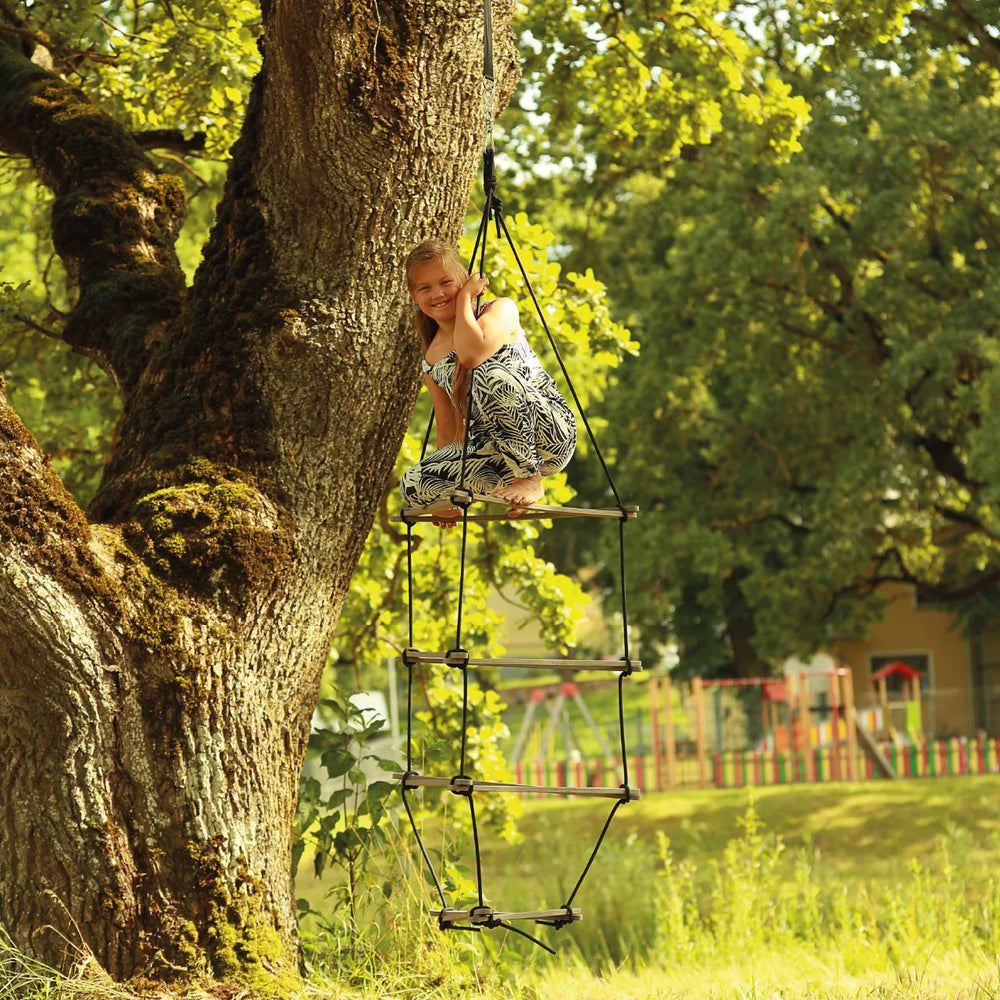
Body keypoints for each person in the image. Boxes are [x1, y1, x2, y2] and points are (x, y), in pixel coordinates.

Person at [400, 239, 576, 522]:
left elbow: (471, 355)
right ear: (414, 296)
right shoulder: (431, 359)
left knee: (486, 375)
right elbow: (450, 432)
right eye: (425, 288)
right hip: (496, 454)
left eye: (446, 282)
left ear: (464, 280)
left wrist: (468, 296)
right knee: (413, 483)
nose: (438, 293)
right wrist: (443, 494)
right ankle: (515, 485)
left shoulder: (499, 310)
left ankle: (530, 478)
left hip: (548, 434)